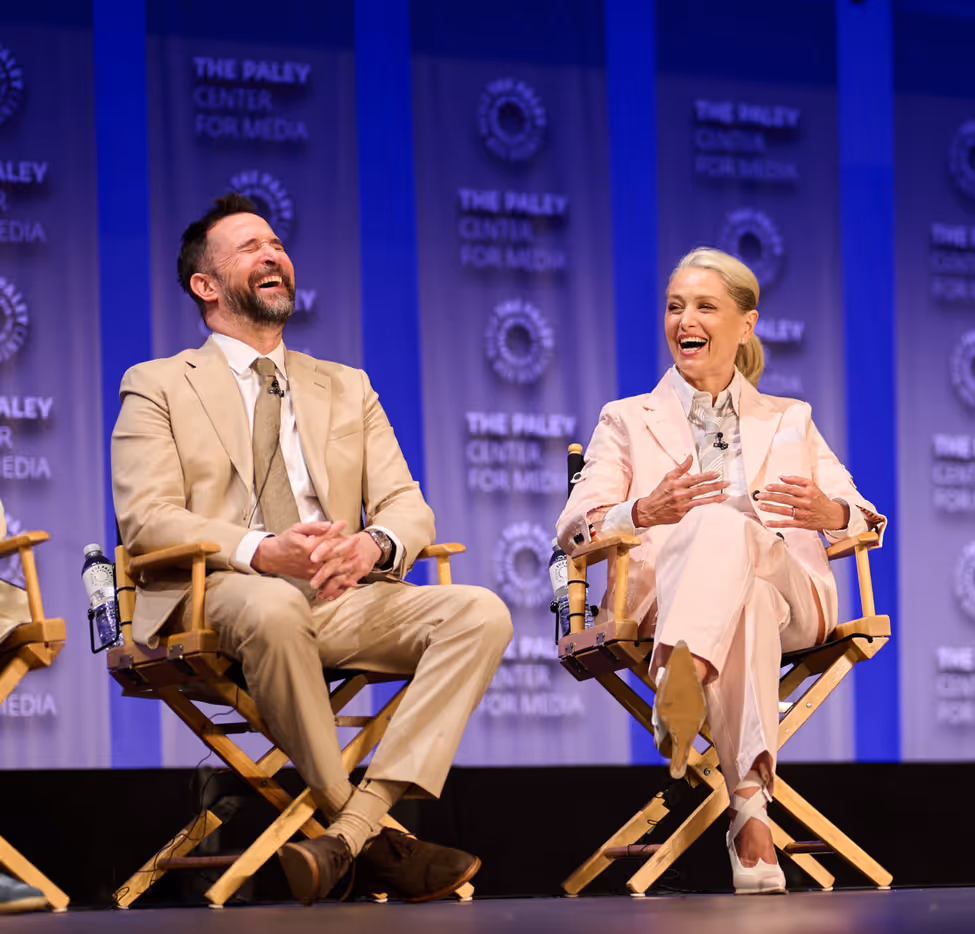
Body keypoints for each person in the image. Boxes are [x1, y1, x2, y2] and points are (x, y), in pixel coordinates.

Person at [111, 194, 513, 905]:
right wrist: (263, 551)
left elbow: (407, 505)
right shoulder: (159, 384)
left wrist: (371, 545)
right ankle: (378, 839)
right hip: (222, 594)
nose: (272, 254)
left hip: (341, 596)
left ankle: (349, 835)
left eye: (276, 243)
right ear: (205, 286)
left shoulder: (346, 386)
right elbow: (147, 521)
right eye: (247, 247)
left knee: (480, 612)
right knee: (270, 605)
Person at [557, 247, 885, 895]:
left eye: (705, 306)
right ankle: (750, 813)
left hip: (797, 596)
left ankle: (684, 674)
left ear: (746, 324)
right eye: (675, 306)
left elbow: (867, 518)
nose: (686, 319)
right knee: (741, 586)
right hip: (674, 598)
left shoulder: (791, 418)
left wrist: (830, 511)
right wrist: (641, 509)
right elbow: (573, 529)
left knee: (731, 532)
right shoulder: (626, 419)